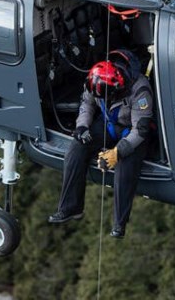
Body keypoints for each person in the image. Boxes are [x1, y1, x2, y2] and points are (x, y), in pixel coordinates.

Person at [48, 49, 154, 238]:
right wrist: (81, 127)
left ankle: (119, 224)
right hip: (108, 123)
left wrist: (117, 152)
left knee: (125, 165)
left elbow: (141, 130)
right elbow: (87, 105)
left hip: (132, 130)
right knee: (76, 149)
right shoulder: (95, 79)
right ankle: (70, 207)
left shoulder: (140, 89)